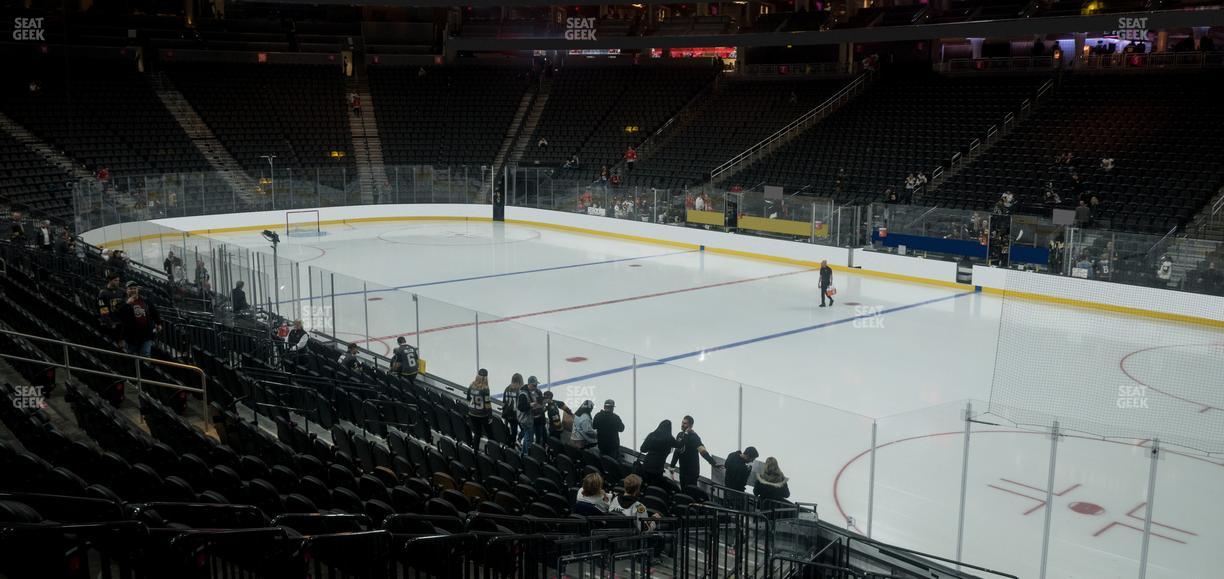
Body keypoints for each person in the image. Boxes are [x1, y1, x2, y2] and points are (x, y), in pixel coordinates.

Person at [671, 415, 721, 491]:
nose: (682, 425)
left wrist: (713, 462)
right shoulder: (680, 435)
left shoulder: (694, 437)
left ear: (690, 425)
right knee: (683, 491)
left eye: (685, 423)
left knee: (690, 492)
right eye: (682, 422)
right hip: (683, 470)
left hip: (692, 472)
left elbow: (703, 451)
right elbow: (677, 452)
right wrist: (672, 466)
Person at [113, 281, 161, 357]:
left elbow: (154, 312)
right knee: (132, 356)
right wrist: (127, 304)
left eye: (135, 288)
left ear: (138, 290)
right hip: (131, 337)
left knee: (146, 356)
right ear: (126, 290)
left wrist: (158, 323)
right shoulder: (121, 302)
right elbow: (118, 314)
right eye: (130, 288)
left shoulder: (145, 301)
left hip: (146, 335)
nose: (133, 290)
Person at [639, 419, 678, 491]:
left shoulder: (652, 435)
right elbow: (679, 445)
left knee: (644, 486)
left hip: (646, 465)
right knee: (653, 488)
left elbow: (642, 449)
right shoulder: (670, 439)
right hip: (657, 468)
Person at [516, 377, 544, 456]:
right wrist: (530, 405)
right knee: (529, 439)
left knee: (527, 437)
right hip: (525, 420)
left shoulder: (532, 392)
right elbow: (521, 407)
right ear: (529, 384)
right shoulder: (523, 394)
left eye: (536, 385)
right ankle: (528, 457)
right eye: (534, 385)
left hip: (529, 419)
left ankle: (524, 454)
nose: (536, 387)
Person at [467, 369, 493, 449]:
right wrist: (490, 416)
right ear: (486, 378)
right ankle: (493, 452)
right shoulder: (485, 388)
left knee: (477, 434)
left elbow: (468, 398)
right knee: (490, 435)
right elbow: (487, 404)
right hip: (482, 415)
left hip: (472, 413)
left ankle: (475, 452)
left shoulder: (471, 385)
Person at [502, 373, 524, 446]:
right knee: (525, 429)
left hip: (509, 415)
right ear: (520, 381)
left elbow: (504, 402)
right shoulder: (520, 390)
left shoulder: (507, 388)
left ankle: (512, 450)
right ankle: (518, 440)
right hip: (518, 415)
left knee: (513, 432)